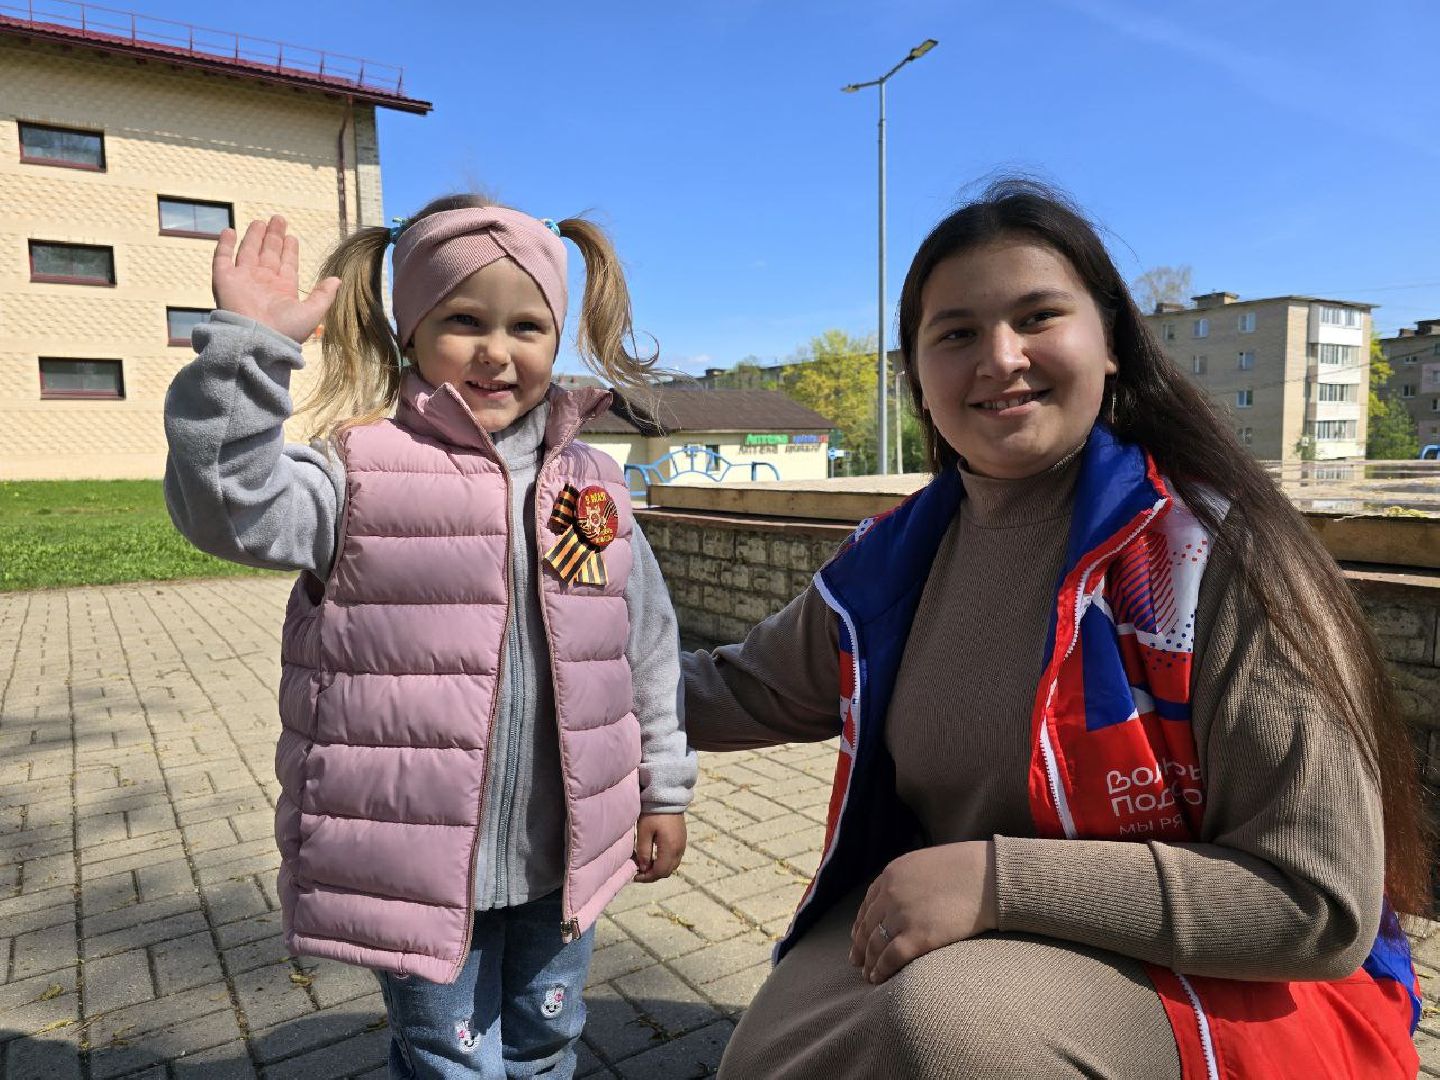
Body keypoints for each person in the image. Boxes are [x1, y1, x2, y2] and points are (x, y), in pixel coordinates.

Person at [682, 179, 1428, 1078]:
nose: (1000, 358)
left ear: (1110, 342)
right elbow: (735, 691)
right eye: (956, 333)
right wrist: (548, 674)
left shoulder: (1217, 557)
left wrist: (1000, 881)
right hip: (966, 920)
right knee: (769, 1048)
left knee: (946, 1031)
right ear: (915, 374)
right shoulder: (888, 565)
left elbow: (1319, 905)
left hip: (1227, 978)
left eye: (1037, 317)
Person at [164, 196, 696, 1078]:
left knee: (548, 1043)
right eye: (464, 321)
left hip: (566, 853)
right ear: (411, 331)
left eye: (527, 326)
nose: (497, 350)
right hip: (413, 865)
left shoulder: (592, 484)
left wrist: (663, 790)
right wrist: (247, 353)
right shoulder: (359, 470)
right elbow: (227, 506)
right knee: (450, 1062)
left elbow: (645, 650)